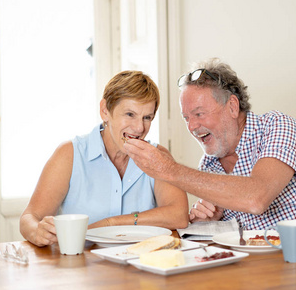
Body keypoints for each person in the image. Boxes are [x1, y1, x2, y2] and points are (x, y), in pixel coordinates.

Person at [123, 58, 296, 264]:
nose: (192, 126)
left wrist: (170, 170)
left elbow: (256, 198)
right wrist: (208, 222)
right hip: (266, 273)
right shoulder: (209, 164)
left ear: (233, 106)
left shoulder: (279, 127)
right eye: (187, 118)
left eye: (199, 113)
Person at [20, 70, 189, 247]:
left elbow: (178, 215)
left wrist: (110, 223)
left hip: (140, 266)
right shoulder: (70, 154)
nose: (139, 128)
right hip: (82, 267)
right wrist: (37, 231)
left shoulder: (158, 157)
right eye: (130, 114)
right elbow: (29, 218)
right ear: (105, 111)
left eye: (147, 117)